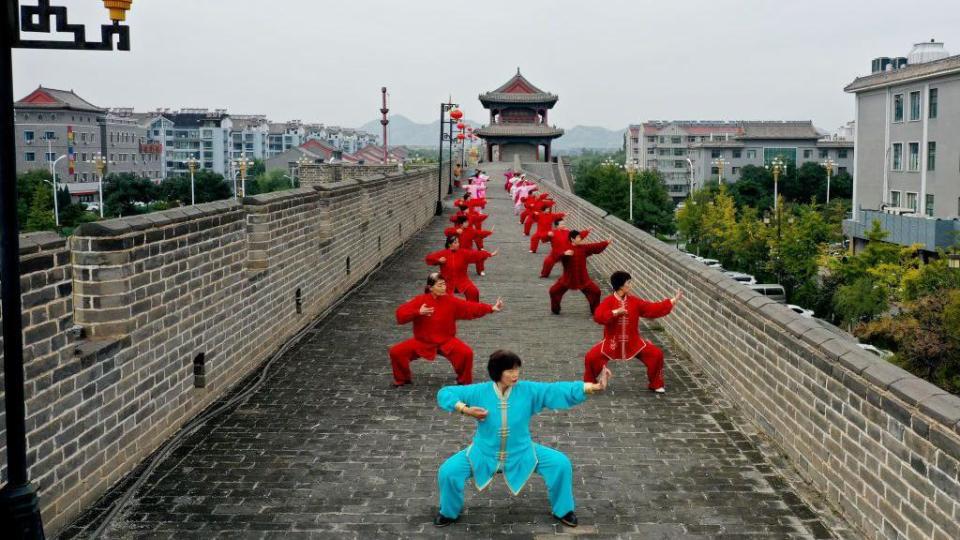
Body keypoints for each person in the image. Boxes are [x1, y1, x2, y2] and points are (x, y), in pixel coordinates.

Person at [433, 350, 610, 528]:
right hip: (483, 453)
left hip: (523, 452)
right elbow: (445, 393)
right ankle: (448, 512)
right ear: (497, 372)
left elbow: (556, 390)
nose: (515, 374)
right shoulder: (479, 391)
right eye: (509, 371)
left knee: (560, 464)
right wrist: (465, 409)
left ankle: (564, 510)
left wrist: (594, 387)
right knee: (448, 472)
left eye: (517, 369)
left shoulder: (528, 390)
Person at [389, 274, 503, 387]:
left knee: (466, 353)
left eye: (444, 284)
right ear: (430, 287)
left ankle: (464, 382)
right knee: (396, 352)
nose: (444, 288)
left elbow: (470, 307)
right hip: (422, 342)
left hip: (446, 341)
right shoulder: (419, 301)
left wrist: (491, 308)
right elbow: (400, 314)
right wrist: (418, 312)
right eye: (440, 285)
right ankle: (402, 379)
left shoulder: (451, 300)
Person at [584, 272, 682, 393]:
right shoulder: (608, 302)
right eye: (628, 283)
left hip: (634, 343)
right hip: (612, 343)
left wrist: (672, 301)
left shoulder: (634, 302)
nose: (631, 285)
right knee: (591, 357)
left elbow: (652, 308)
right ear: (621, 286)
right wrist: (615, 312)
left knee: (656, 354)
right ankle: (589, 384)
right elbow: (598, 316)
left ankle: (656, 383)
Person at [548, 231, 610, 315]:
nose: (580, 239)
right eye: (578, 237)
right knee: (553, 291)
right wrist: (564, 254)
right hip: (568, 278)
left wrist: (606, 243)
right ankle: (555, 309)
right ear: (572, 239)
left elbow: (595, 247)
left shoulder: (583, 248)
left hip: (582, 278)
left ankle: (595, 310)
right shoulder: (565, 248)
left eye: (580, 237)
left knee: (596, 292)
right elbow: (555, 255)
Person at [426, 236, 497, 302]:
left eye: (458, 242)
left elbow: (475, 254)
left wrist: (488, 254)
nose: (458, 244)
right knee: (442, 297)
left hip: (462, 280)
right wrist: (438, 260)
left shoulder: (463, 252)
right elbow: (429, 258)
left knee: (474, 291)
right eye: (455, 242)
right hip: (447, 282)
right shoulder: (443, 253)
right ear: (450, 244)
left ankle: (472, 309)